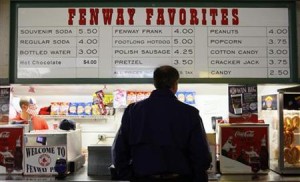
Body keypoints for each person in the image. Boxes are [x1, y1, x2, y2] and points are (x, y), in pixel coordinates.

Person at [111, 65, 212, 182]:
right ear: (175, 84)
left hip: (143, 178)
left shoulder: (133, 111)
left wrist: (128, 175)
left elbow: (119, 150)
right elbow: (201, 155)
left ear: (155, 83)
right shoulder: (189, 113)